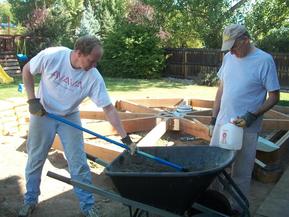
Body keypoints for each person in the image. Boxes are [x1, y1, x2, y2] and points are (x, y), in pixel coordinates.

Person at [19, 35, 137, 217]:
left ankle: (87, 206)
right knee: (35, 158)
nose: (94, 65)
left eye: (97, 61)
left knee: (78, 162)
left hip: (69, 116)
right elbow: (27, 70)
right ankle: (30, 200)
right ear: (79, 53)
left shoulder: (93, 77)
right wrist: (31, 100)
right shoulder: (53, 56)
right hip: (43, 113)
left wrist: (126, 138)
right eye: (92, 60)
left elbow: (108, 108)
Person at [209, 24, 280, 212]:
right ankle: (211, 205)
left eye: (234, 47)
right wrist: (213, 118)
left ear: (246, 40)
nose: (231, 52)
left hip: (246, 127)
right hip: (223, 124)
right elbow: (221, 90)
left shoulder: (264, 60)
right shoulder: (228, 58)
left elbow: (274, 96)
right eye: (228, 48)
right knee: (214, 166)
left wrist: (252, 115)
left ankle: (237, 209)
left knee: (241, 172)